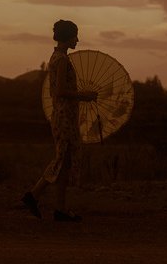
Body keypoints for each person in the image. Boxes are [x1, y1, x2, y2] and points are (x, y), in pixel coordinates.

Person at [22, 19, 97, 222]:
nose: (78, 39)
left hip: (65, 115)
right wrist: (84, 95)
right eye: (75, 36)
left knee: (65, 162)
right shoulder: (61, 60)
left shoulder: (57, 57)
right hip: (64, 116)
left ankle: (59, 210)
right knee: (62, 160)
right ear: (67, 37)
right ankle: (34, 195)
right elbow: (60, 91)